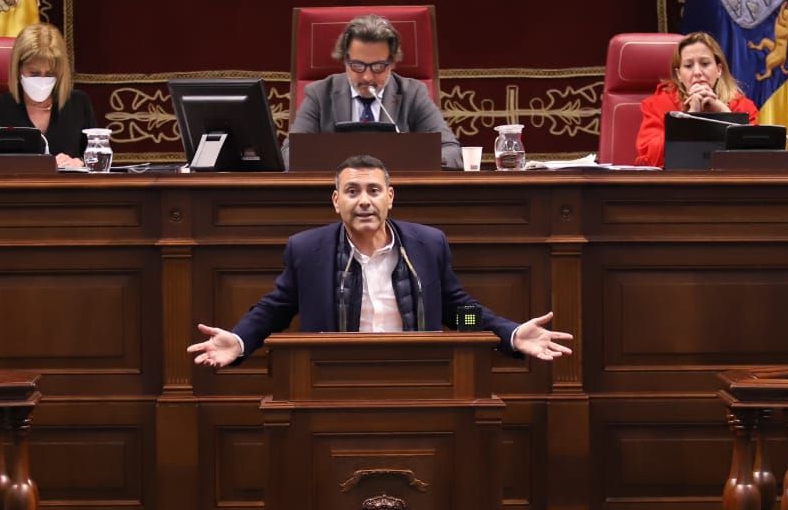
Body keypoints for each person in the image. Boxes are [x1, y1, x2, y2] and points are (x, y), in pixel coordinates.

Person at [188, 154, 572, 367]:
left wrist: (509, 332)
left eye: (373, 190)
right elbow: (275, 311)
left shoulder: (427, 244)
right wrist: (239, 340)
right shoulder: (308, 250)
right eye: (351, 191)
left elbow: (458, 312)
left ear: (391, 197)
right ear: (336, 201)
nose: (364, 201)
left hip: (419, 374)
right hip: (333, 378)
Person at [286, 14, 461, 170]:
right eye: (358, 65)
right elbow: (289, 154)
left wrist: (413, 160)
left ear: (392, 63)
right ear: (345, 61)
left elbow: (452, 152)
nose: (367, 77)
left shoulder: (413, 94)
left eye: (378, 66)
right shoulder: (319, 94)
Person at [0, 23, 96, 171]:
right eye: (34, 73)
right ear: (18, 69)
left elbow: (97, 159)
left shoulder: (79, 104)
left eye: (50, 74)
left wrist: (80, 162)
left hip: (67, 191)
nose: (42, 79)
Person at [634, 32, 759, 168]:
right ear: (679, 75)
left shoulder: (743, 106)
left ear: (718, 70)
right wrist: (689, 119)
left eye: (705, 64)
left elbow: (755, 158)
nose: (697, 72)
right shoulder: (656, 104)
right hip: (677, 184)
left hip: (728, 185)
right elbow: (650, 158)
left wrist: (725, 114)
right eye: (688, 66)